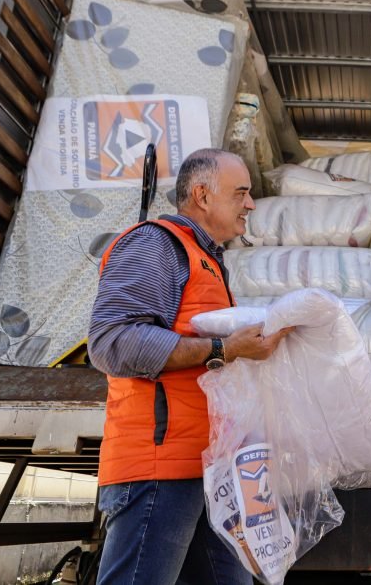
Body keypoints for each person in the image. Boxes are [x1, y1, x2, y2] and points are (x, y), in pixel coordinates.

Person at [88, 148, 292, 584]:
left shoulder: (209, 261)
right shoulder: (155, 244)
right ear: (202, 195)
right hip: (158, 470)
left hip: (207, 470)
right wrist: (223, 348)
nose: (251, 204)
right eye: (241, 193)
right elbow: (111, 342)